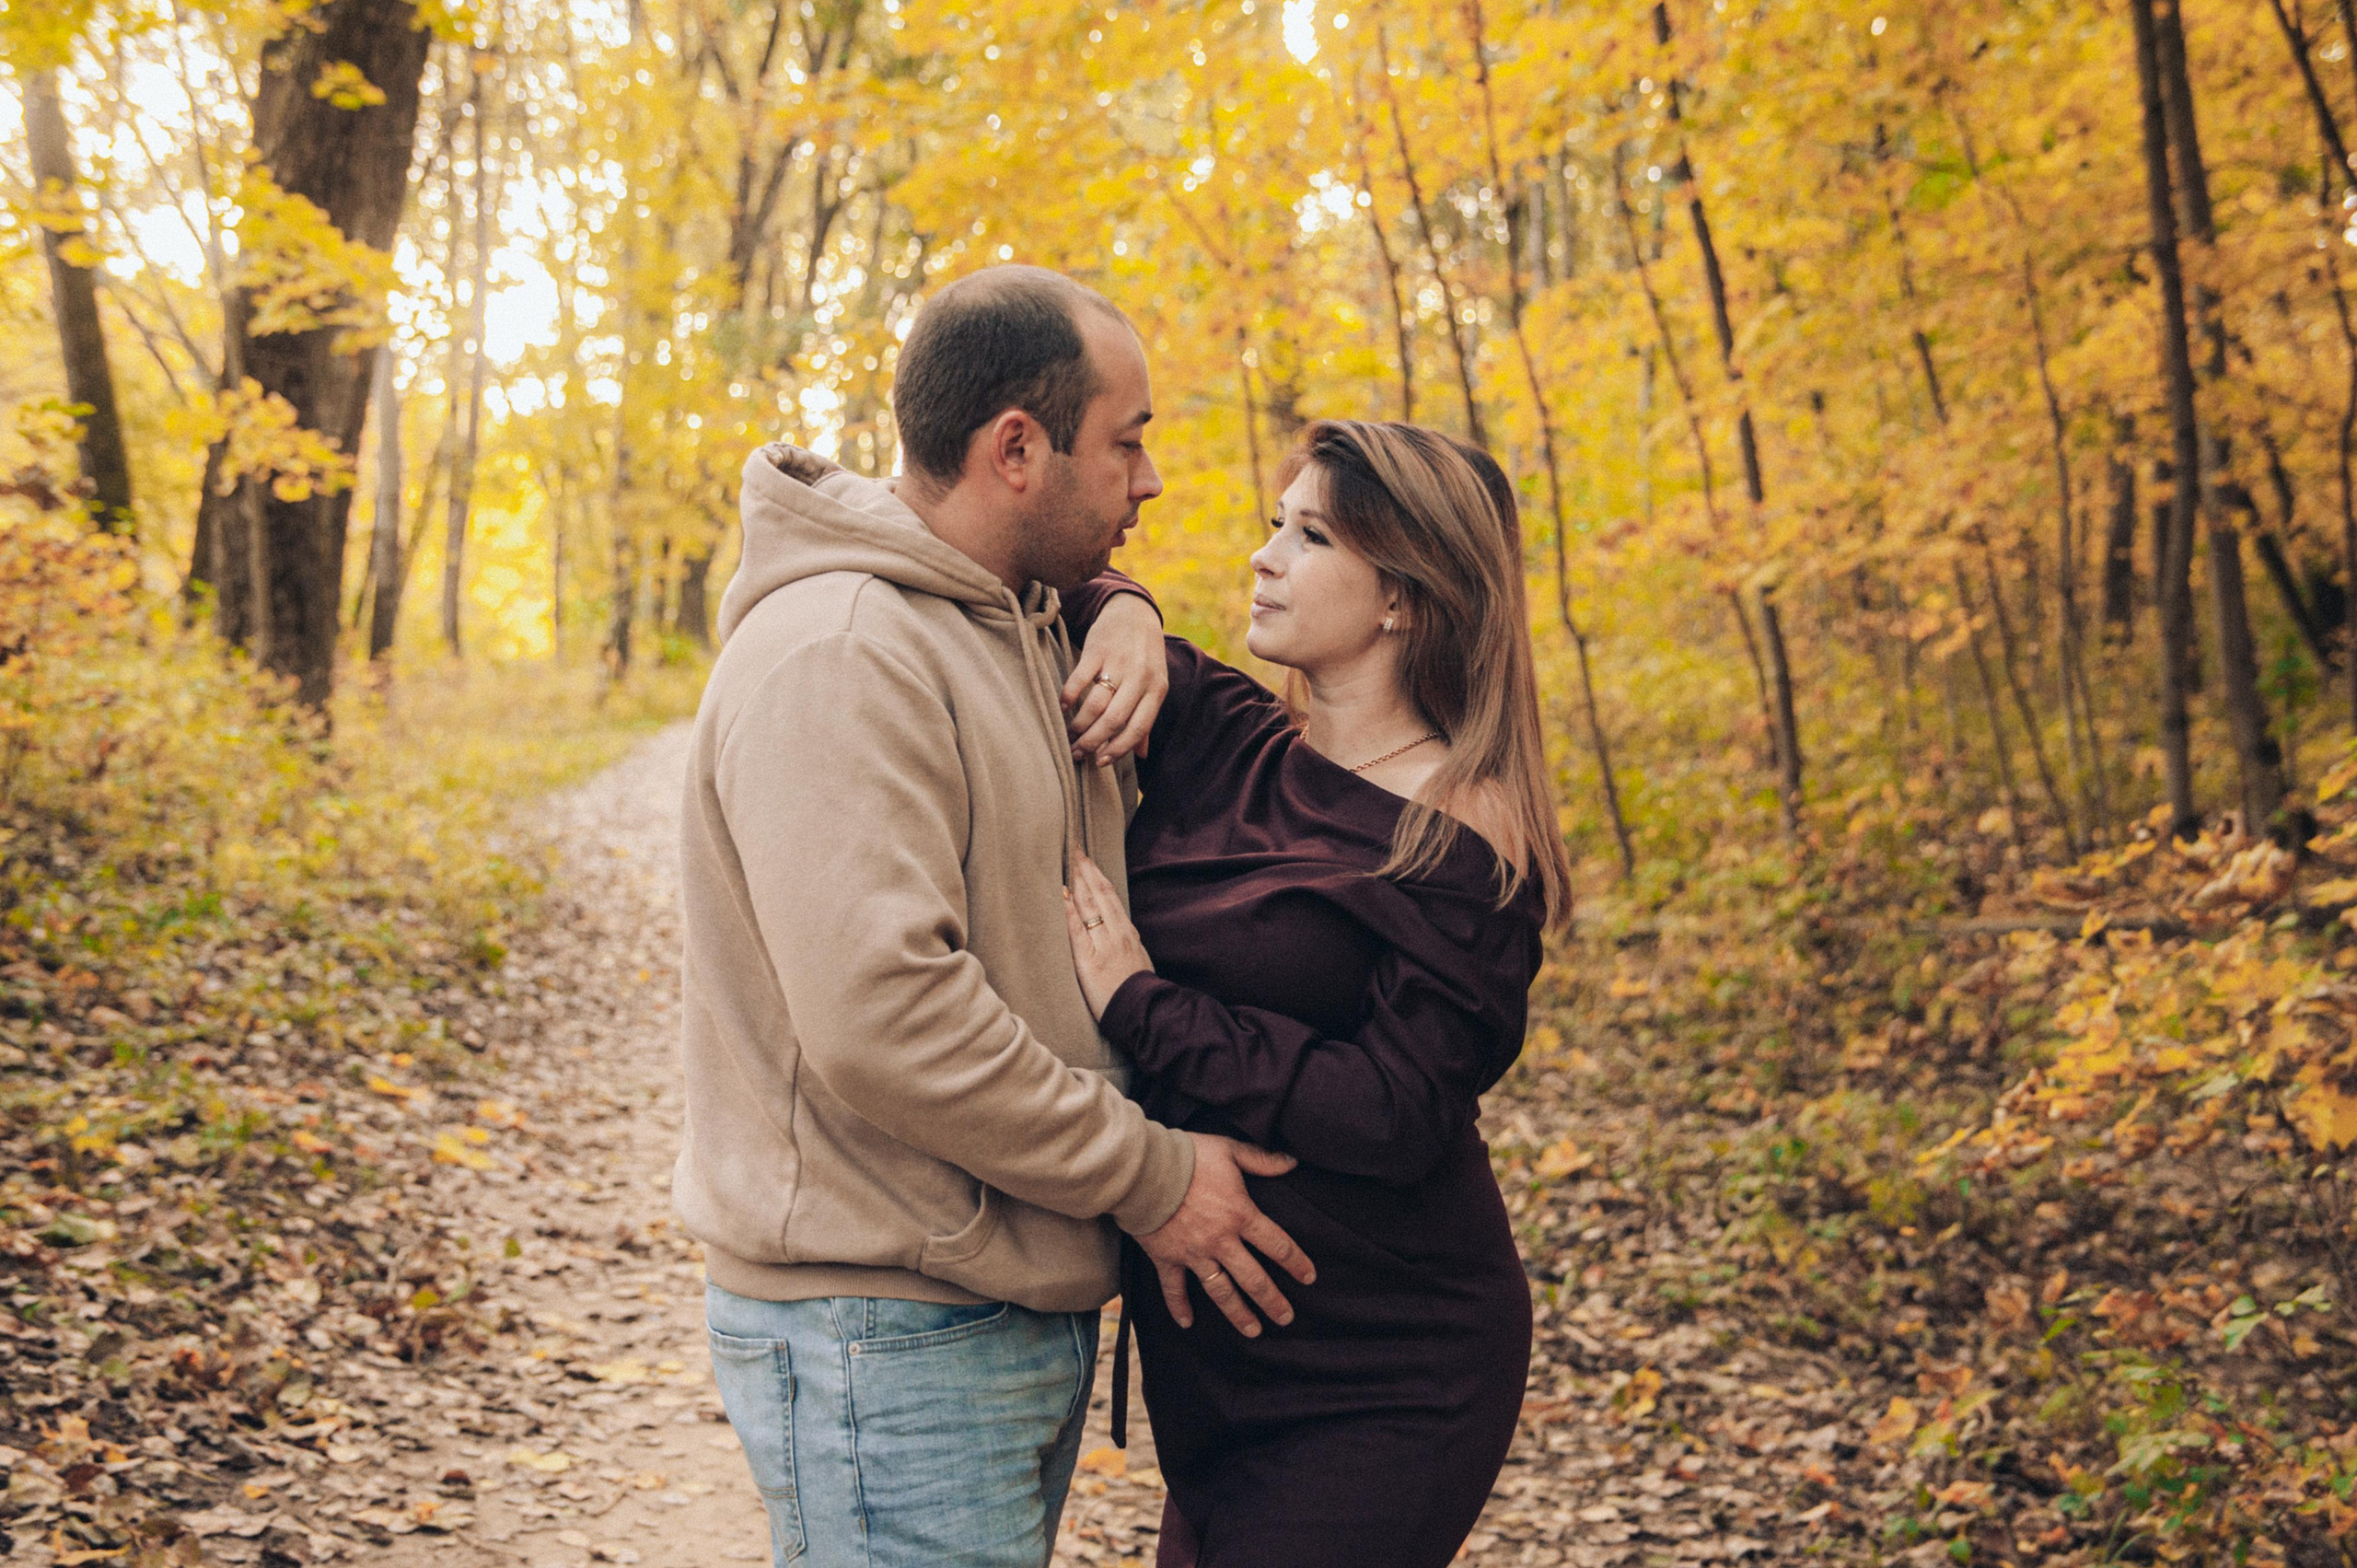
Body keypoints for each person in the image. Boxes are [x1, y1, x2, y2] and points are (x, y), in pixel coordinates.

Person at [673, 265, 1314, 1568]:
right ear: (1015, 447)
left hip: (978, 1302)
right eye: (1126, 441)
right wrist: (1151, 1174)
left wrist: (1124, 604)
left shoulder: (1012, 623)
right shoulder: (843, 651)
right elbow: (885, 1016)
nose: (1148, 480)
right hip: (885, 1326)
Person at [1062, 419, 1574, 1568]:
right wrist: (1133, 609)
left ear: (1402, 595)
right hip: (1221, 1363)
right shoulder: (1228, 734)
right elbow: (1059, 575)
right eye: (1273, 523)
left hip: (1385, 1366)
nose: (1264, 555)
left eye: (1309, 535)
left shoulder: (1467, 827)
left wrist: (1144, 1005)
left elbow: (1391, 1110)